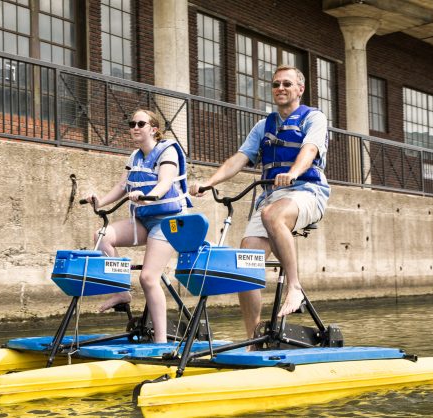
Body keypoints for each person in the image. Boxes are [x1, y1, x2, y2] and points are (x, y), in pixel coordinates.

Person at [191, 66, 330, 339]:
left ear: (300, 89)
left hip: (307, 191)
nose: (280, 88)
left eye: (287, 83)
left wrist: (292, 173)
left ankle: (295, 287)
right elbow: (239, 159)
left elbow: (309, 150)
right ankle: (253, 339)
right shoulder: (263, 126)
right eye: (276, 84)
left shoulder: (313, 118)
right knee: (246, 265)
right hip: (271, 195)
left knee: (272, 216)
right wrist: (210, 182)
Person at [85, 109, 191, 343]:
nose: (134, 127)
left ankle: (160, 341)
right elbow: (122, 186)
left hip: (169, 221)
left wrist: (148, 196)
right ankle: (121, 291)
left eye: (140, 123)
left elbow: (164, 183)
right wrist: (100, 201)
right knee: (102, 235)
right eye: (131, 123)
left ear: (153, 128)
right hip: (143, 220)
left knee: (148, 278)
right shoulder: (134, 156)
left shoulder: (168, 150)